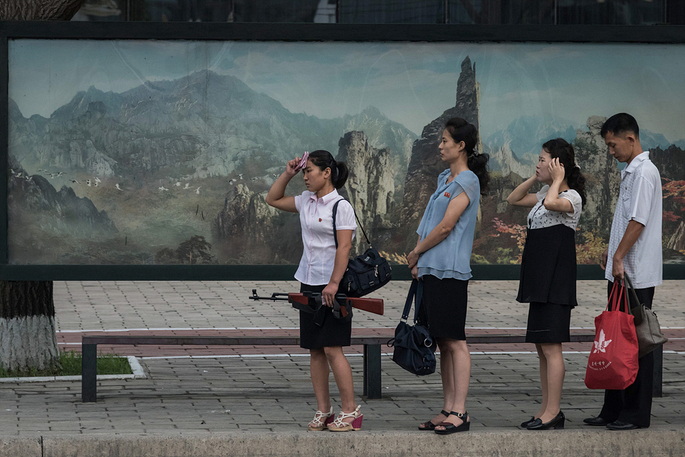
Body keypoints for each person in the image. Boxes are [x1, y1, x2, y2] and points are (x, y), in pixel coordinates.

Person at [265, 150, 363, 432]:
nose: (305, 176)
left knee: (333, 348)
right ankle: (324, 410)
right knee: (315, 350)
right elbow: (272, 199)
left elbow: (344, 247)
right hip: (308, 280)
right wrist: (288, 173)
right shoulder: (306, 201)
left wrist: (333, 283)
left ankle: (350, 411)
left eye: (309, 171)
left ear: (327, 172)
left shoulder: (339, 206)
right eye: (304, 171)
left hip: (332, 283)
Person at [407, 117, 489, 435]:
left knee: (455, 341)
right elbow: (428, 223)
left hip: (450, 272)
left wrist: (416, 253)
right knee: (441, 340)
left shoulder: (467, 181)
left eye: (444, 141)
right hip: (430, 269)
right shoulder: (445, 178)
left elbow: (446, 226)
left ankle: (460, 411)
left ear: (460, 146)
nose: (439, 146)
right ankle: (447, 408)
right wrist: (418, 257)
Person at [584, 113, 662, 430]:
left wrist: (619, 255)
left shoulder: (644, 172)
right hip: (622, 271)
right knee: (614, 340)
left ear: (629, 138)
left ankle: (635, 413)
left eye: (613, 145)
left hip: (635, 274)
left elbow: (639, 220)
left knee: (635, 342)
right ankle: (612, 408)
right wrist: (612, 250)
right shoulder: (631, 172)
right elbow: (627, 219)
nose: (611, 151)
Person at [506, 138, 586, 430]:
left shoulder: (572, 197)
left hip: (556, 280)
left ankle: (554, 411)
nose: (537, 163)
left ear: (558, 164)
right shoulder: (543, 192)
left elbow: (554, 203)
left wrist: (558, 179)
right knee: (542, 346)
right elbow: (513, 200)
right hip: (539, 278)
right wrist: (537, 177)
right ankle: (545, 409)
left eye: (543, 160)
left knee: (552, 347)